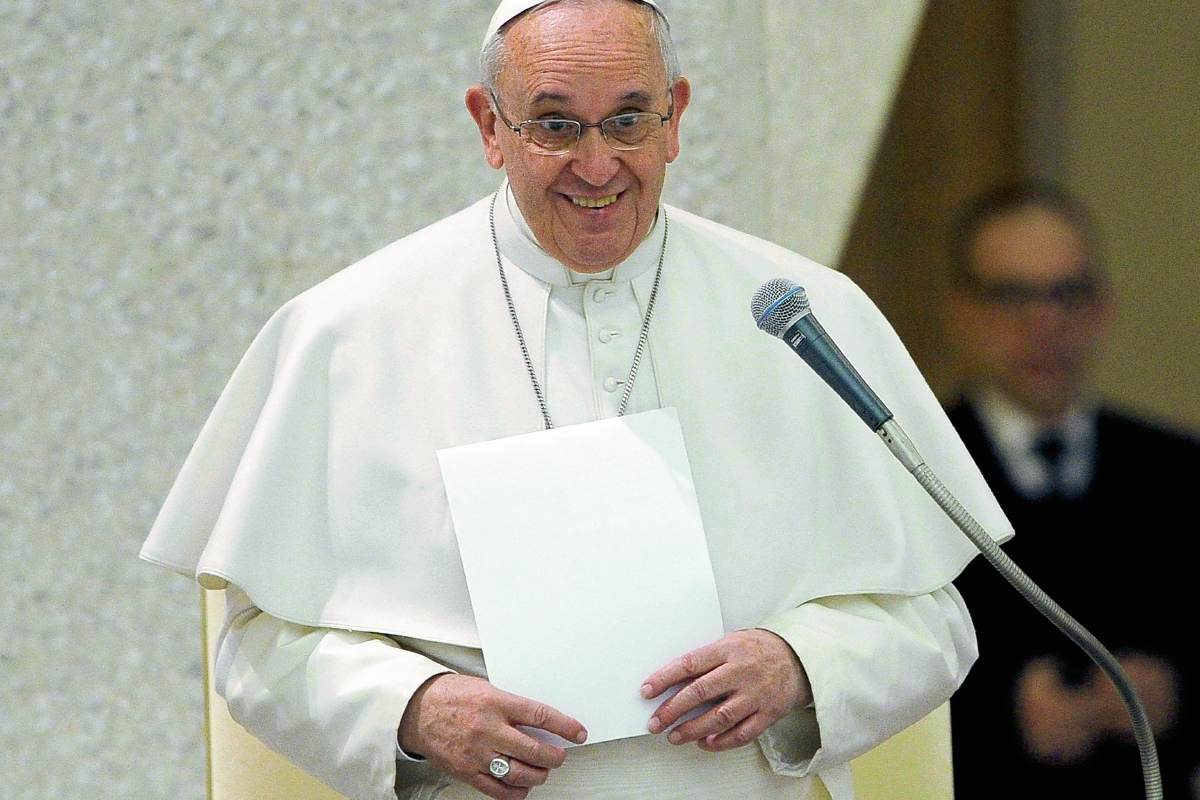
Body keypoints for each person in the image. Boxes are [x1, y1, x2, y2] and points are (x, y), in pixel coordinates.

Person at [141, 2, 1012, 798]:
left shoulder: (803, 315)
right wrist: (413, 708)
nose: (598, 166)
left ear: (675, 117)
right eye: (556, 125)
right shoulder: (349, 334)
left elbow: (934, 618)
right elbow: (257, 647)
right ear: (490, 125)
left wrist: (801, 665)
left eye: (629, 120)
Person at [942, 182, 1200, 798]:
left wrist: (1176, 691)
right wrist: (1001, 713)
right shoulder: (916, 471)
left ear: (1102, 306)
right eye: (1011, 296)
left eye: (1067, 294)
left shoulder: (1178, 470)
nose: (1044, 322)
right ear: (960, 310)